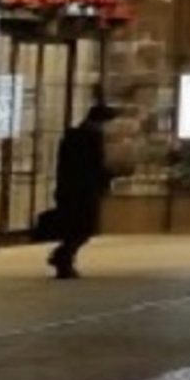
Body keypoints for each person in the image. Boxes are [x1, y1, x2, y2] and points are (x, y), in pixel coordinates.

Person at [47, 103, 114, 279]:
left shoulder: (74, 137)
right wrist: (107, 177)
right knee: (81, 228)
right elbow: (93, 166)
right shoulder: (90, 138)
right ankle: (62, 257)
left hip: (70, 189)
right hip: (82, 191)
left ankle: (63, 258)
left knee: (76, 228)